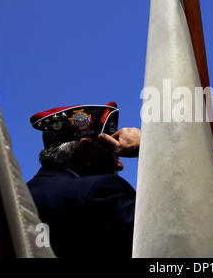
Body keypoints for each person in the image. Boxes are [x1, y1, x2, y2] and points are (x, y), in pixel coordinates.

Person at [27, 102, 140, 257]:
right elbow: (168, 242)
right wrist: (149, 148)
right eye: (113, 152)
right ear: (86, 151)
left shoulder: (17, 198)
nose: (120, 164)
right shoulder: (100, 192)